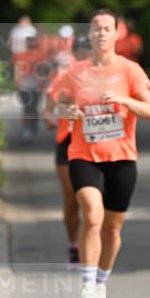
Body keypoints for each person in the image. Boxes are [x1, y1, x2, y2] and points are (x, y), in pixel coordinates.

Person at [58, 9, 150, 298]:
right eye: (96, 28)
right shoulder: (76, 71)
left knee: (112, 229)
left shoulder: (130, 70)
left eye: (107, 28)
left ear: (117, 34)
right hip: (83, 154)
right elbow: (59, 101)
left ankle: (101, 283)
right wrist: (69, 110)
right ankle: (88, 286)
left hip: (121, 157)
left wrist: (123, 100)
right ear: (89, 34)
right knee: (92, 214)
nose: (101, 33)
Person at [44, 35, 92, 269]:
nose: (85, 53)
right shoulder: (66, 75)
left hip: (95, 144)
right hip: (68, 142)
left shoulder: (104, 74)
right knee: (72, 199)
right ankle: (74, 245)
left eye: (89, 49)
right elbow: (49, 107)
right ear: (75, 52)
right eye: (81, 49)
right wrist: (51, 118)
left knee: (93, 202)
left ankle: (90, 245)